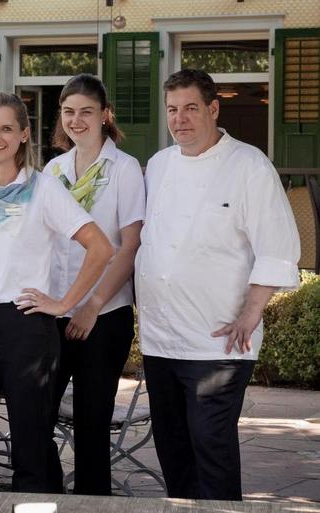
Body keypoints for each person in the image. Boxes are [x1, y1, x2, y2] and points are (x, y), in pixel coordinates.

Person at [0, 91, 114, 493]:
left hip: (25, 327)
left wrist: (64, 304)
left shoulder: (44, 188)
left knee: (31, 451)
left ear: (23, 134)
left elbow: (101, 248)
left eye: (6, 129)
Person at [136, 69, 300, 500]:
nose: (180, 119)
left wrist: (251, 313)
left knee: (211, 444)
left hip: (218, 340)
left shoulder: (249, 165)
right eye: (172, 109)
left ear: (213, 109)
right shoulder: (159, 165)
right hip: (160, 339)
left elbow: (277, 246)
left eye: (191, 108)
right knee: (172, 447)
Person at [44, 74, 145, 495]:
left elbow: (130, 244)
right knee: (35, 418)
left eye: (86, 111)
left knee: (91, 428)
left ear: (105, 115)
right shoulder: (53, 170)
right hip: (54, 311)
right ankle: (44, 496)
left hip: (104, 316)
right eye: (69, 112)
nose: (76, 120)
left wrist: (92, 304)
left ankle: (91, 504)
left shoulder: (125, 169)